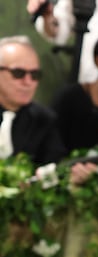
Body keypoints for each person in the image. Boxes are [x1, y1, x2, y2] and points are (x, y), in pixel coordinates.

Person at [0, 35, 66, 165]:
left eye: (35, 75)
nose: (28, 82)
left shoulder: (44, 119)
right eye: (18, 73)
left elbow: (55, 166)